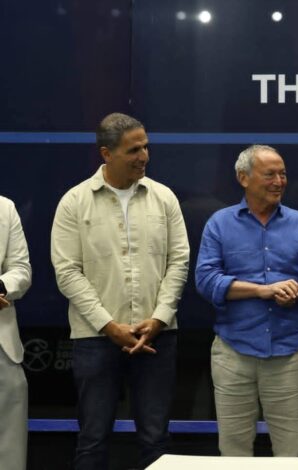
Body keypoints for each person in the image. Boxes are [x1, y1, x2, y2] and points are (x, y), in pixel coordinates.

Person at [51, 113, 189, 469]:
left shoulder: (164, 198)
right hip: (96, 339)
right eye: (133, 150)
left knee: (156, 440)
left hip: (157, 337)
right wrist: (109, 326)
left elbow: (179, 262)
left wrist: (159, 318)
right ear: (106, 154)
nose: (144, 156)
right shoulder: (74, 202)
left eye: (145, 146)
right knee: (92, 440)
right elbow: (67, 272)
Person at [195, 145, 298, 457]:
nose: (279, 181)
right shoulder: (219, 223)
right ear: (243, 178)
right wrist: (262, 291)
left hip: (289, 353)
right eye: (270, 174)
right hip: (233, 352)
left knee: (291, 451)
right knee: (233, 451)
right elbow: (206, 280)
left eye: (283, 174)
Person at [0, 196, 32, 470]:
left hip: (3, 346)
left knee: (9, 448)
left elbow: (21, 270)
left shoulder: (5, 207)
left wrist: (1, 286)